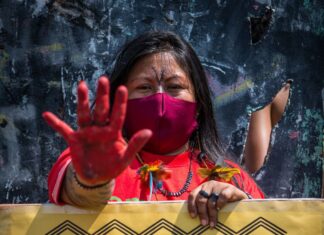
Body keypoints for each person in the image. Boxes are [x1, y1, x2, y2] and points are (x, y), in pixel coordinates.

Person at [43, 31, 264, 228]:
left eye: (174, 87)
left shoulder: (232, 179)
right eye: (144, 87)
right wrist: (93, 178)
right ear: (122, 101)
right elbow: (78, 189)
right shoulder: (90, 158)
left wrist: (241, 212)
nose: (160, 99)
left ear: (198, 106)